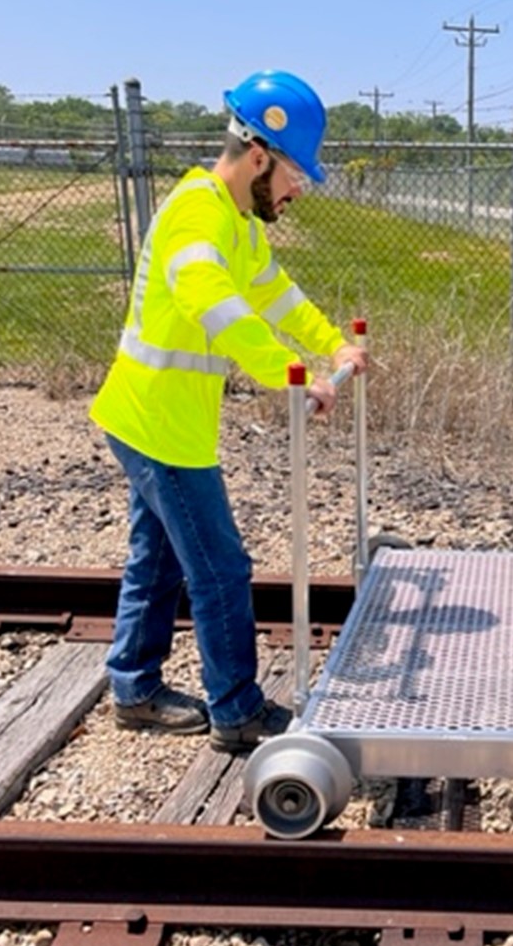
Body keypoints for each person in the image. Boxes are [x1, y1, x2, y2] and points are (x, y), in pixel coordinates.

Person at [89, 70, 367, 752]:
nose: (300, 188)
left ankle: (133, 686)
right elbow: (215, 306)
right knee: (220, 567)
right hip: (160, 426)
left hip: (155, 417)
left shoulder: (239, 224)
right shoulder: (196, 212)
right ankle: (237, 710)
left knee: (156, 558)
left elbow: (277, 296)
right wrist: (293, 377)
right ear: (259, 155)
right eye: (296, 172)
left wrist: (333, 345)